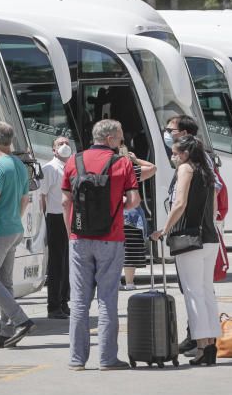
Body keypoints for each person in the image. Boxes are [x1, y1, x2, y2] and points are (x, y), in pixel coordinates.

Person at [61, 119, 140, 370]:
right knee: (107, 299)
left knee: (80, 301)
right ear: (109, 139)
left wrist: (70, 233)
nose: (121, 142)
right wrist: (118, 209)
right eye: (119, 138)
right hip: (111, 237)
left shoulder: (74, 161)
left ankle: (76, 359)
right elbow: (134, 200)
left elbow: (65, 201)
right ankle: (107, 359)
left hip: (79, 238)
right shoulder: (122, 162)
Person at [151, 136, 221, 366]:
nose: (173, 157)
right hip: (210, 238)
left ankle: (201, 346)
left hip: (189, 238)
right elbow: (213, 207)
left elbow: (179, 203)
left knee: (193, 293)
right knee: (207, 291)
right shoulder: (206, 171)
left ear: (185, 154)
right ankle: (210, 344)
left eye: (175, 153)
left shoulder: (185, 169)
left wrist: (164, 229)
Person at [0, 122, 34, 349]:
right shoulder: (20, 165)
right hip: (14, 229)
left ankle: (20, 320)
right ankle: (6, 332)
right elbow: (25, 199)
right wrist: (16, 218)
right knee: (5, 282)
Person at [39, 136, 73, 319]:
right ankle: (53, 305)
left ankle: (63, 301)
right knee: (57, 263)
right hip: (55, 218)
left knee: (68, 262)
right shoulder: (49, 168)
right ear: (53, 150)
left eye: (67, 143)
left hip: (69, 217)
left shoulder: (71, 166)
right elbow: (42, 197)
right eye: (60, 144)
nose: (65, 146)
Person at [120, 145, 156, 291]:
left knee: (113, 250)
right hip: (132, 216)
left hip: (113, 215)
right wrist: (136, 160)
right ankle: (129, 283)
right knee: (130, 249)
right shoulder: (131, 171)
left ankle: (115, 282)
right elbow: (152, 168)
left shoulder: (106, 171)